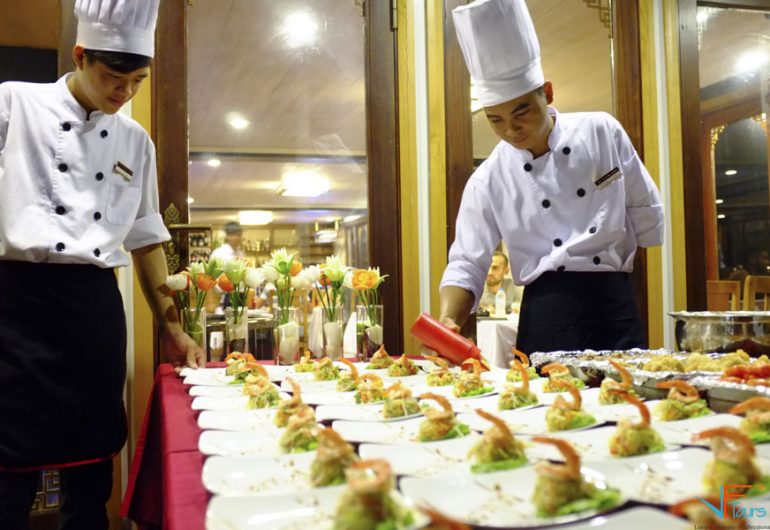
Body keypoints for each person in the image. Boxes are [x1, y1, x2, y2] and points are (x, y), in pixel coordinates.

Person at [0, 1, 204, 528]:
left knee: (91, 476)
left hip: (92, 313)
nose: (125, 93)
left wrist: (173, 327)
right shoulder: (13, 104)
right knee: (6, 476)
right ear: (80, 54)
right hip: (14, 307)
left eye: (136, 80)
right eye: (113, 77)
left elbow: (145, 238)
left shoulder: (136, 141)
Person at [439, 0, 664, 354]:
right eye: (494, 120)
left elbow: (644, 218)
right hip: (545, 317)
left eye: (521, 112)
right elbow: (467, 262)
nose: (511, 130)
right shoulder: (488, 178)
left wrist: (627, 291)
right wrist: (449, 320)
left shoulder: (602, 131)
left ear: (547, 93)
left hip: (614, 309)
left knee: (624, 407)